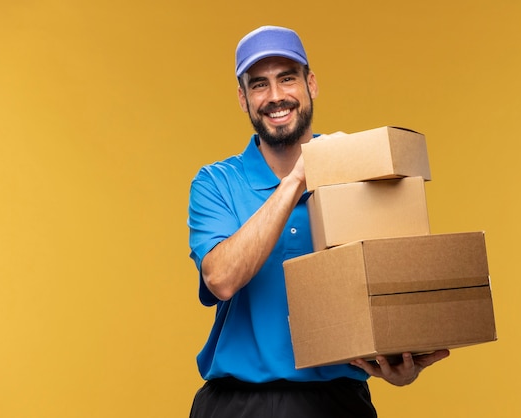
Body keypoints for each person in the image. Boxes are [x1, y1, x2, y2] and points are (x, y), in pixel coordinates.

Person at [187, 25, 450, 418]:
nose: (275, 97)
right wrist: (298, 179)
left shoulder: (362, 171)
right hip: (237, 405)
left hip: (337, 402)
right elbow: (221, 279)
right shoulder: (215, 183)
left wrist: (399, 361)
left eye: (287, 79)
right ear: (243, 99)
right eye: (259, 85)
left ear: (311, 83)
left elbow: (394, 283)